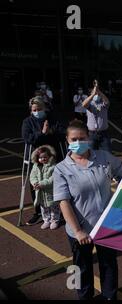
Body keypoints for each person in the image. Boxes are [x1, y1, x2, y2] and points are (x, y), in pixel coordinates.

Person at [53, 120, 122, 300]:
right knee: (81, 266)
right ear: (67, 141)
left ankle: (109, 296)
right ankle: (84, 297)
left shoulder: (104, 157)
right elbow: (64, 202)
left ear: (89, 138)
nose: (78, 142)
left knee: (108, 263)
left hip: (105, 224)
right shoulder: (61, 169)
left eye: (82, 138)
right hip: (80, 230)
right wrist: (78, 231)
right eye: (74, 139)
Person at [22, 96, 66, 225]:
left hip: (54, 156)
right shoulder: (28, 122)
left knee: (57, 182)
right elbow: (28, 139)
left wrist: (50, 131)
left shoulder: (52, 119)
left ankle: (60, 210)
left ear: (44, 108)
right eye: (34, 109)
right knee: (36, 184)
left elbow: (63, 133)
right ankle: (38, 212)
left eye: (39, 108)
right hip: (38, 158)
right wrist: (41, 133)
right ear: (31, 110)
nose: (37, 111)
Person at [30, 145, 61, 230]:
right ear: (37, 158)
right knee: (43, 207)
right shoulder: (36, 166)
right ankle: (46, 220)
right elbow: (32, 176)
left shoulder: (53, 166)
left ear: (50, 157)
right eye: (40, 157)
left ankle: (55, 220)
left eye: (45, 157)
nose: (43, 159)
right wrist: (35, 183)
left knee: (54, 206)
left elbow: (53, 179)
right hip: (40, 192)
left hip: (51, 191)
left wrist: (41, 183)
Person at [82, 83, 111, 153]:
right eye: (94, 93)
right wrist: (93, 94)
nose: (96, 95)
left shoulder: (103, 104)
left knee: (107, 154)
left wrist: (99, 92)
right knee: (91, 154)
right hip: (92, 134)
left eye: (97, 93)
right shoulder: (90, 104)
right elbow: (84, 104)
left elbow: (107, 102)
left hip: (104, 133)